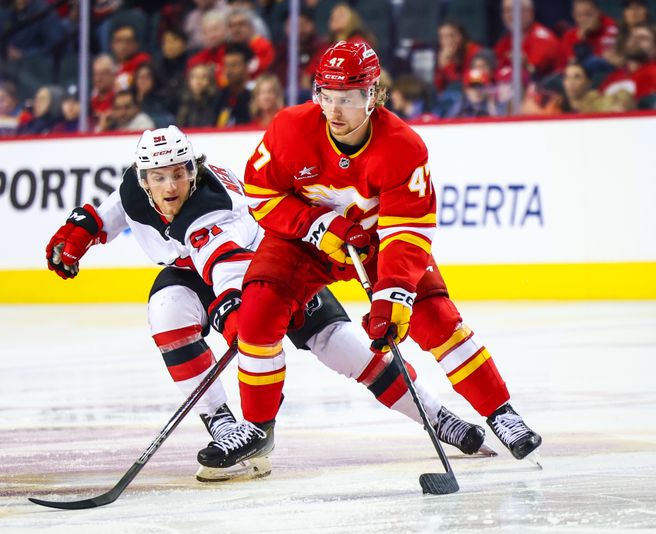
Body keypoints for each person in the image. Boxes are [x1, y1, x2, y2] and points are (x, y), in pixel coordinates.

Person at [45, 125, 492, 482]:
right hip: (193, 271)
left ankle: (439, 418)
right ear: (143, 179)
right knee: (167, 311)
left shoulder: (212, 207)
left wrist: (237, 312)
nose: (170, 185)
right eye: (159, 177)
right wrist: (84, 228)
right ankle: (226, 425)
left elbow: (225, 265)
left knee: (345, 350)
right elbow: (115, 209)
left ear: (193, 170)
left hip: (269, 268)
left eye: (179, 172)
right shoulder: (133, 187)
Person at [196, 41, 543, 472]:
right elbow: (262, 194)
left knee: (435, 318)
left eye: (347, 98)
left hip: (377, 246)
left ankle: (501, 413)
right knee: (259, 314)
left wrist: (394, 297)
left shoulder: (403, 147)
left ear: (373, 95)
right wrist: (313, 224)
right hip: (303, 242)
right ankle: (258, 430)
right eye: (326, 96)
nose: (334, 110)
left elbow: (408, 233)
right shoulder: (289, 128)